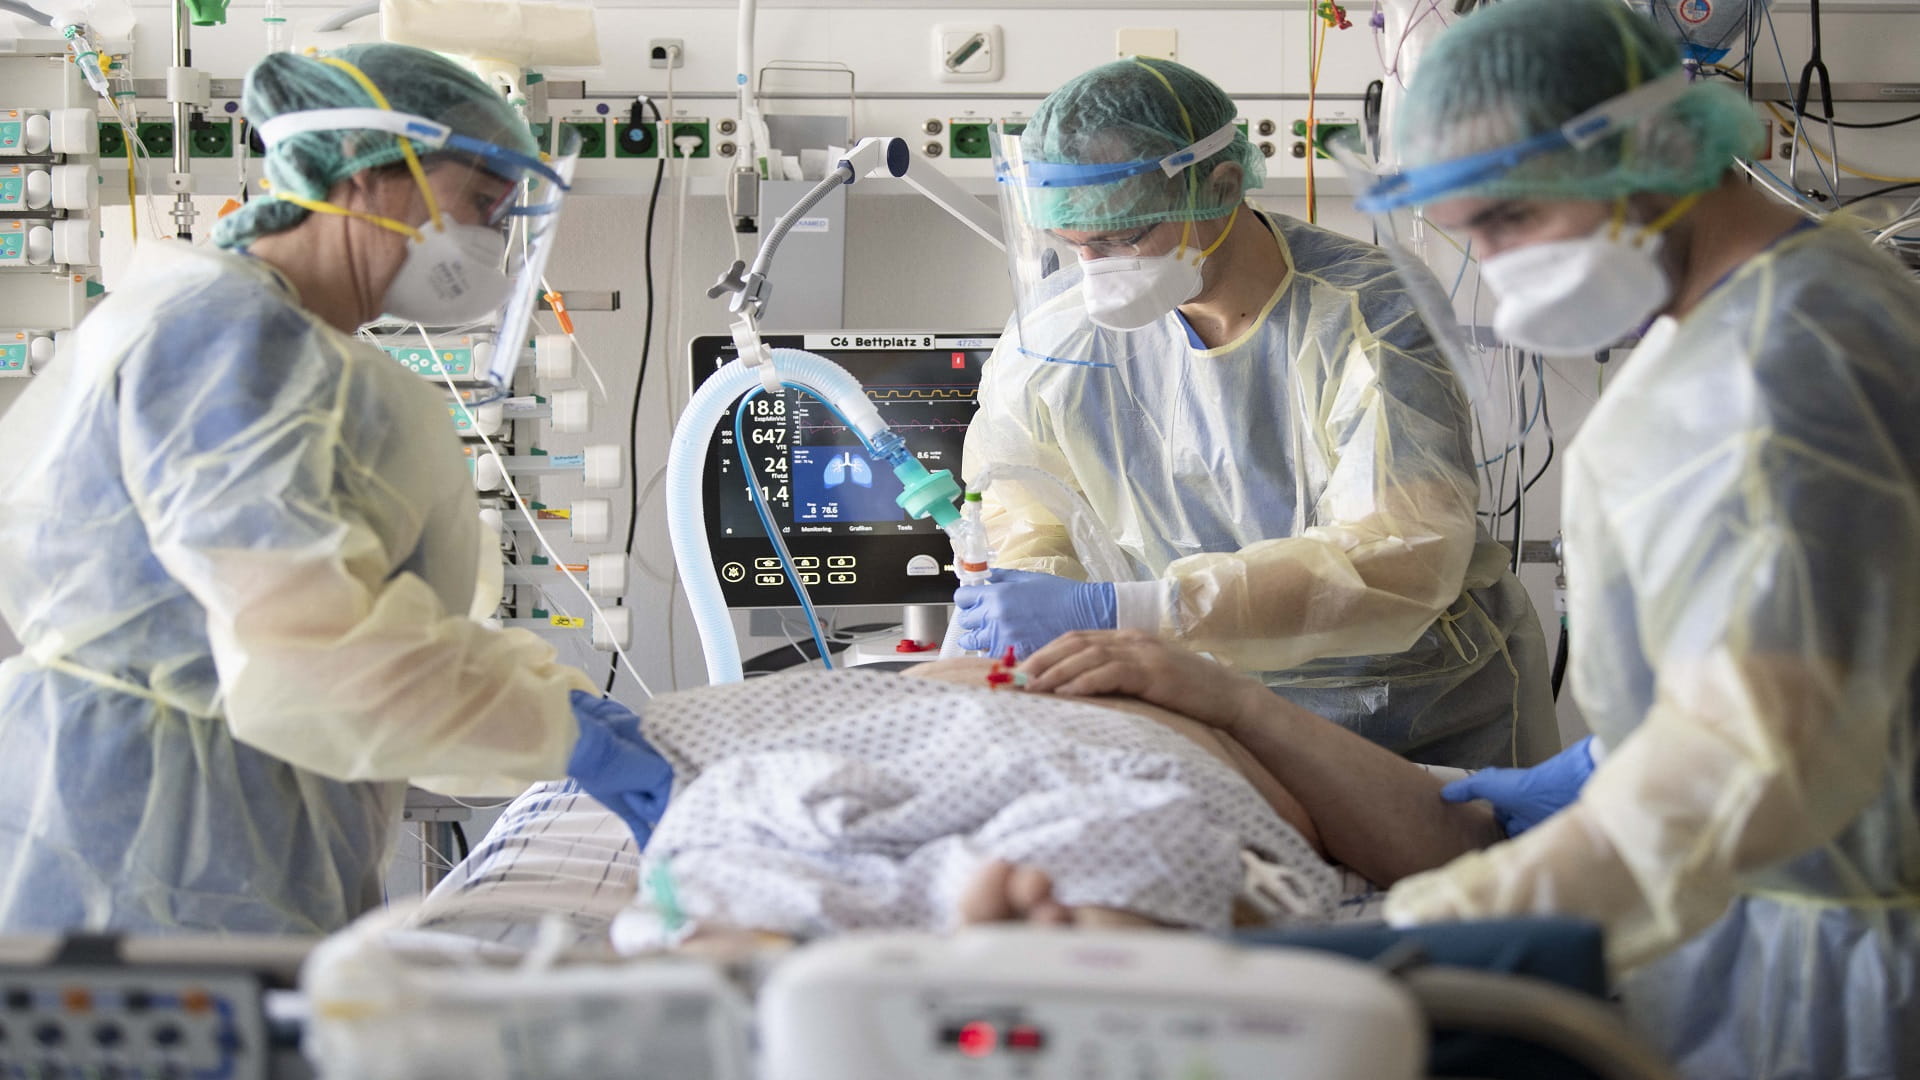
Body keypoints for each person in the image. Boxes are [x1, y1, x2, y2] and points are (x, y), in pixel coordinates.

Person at [1341, 1, 1920, 1076]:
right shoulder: (1725, 316)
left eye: (1512, 218)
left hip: (1844, 965)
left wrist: (1441, 927)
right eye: (1470, 235)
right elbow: (1802, 641)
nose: (1499, 272)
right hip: (1760, 914)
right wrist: (1614, 761)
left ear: (1646, 144)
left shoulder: (1791, 363)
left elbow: (1759, 756)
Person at [0, 43, 670, 936]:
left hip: (227, 819)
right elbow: (312, 647)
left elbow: (348, 610)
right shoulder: (231, 346)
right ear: (366, 174)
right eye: (480, 201)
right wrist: (561, 732)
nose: (489, 236)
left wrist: (554, 703)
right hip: (151, 846)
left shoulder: (284, 350)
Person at [956, 57, 1557, 770]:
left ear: (1221, 186)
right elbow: (1026, 513)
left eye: (1123, 236)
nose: (1097, 270)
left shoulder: (1371, 313)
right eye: (1074, 244)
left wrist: (1135, 611)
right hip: (1195, 710)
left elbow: (1406, 553)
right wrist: (1035, 601)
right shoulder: (1056, 338)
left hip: (1414, 707)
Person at [408, 648, 1502, 952]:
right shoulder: (857, 687)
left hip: (1126, 785)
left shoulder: (1206, 706)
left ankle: (1079, 944)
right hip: (868, 771)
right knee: (740, 839)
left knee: (1126, 837)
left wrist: (1229, 697)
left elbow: (1441, 841)